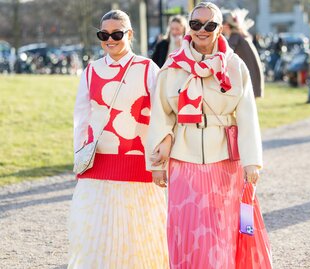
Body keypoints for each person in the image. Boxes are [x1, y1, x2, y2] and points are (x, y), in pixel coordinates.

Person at [146, 2, 272, 268]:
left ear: (220, 29)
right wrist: (156, 165)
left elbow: (248, 117)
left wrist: (252, 162)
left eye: (210, 25)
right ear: (189, 28)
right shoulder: (172, 67)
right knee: (187, 231)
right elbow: (160, 115)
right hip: (183, 160)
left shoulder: (235, 67)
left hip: (225, 162)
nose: (201, 30)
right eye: (195, 24)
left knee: (220, 231)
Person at [68, 10, 169, 269]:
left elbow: (162, 115)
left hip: (138, 165)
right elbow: (82, 116)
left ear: (130, 34)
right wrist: (80, 155)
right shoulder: (91, 70)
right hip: (97, 165)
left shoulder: (148, 68)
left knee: (139, 232)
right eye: (104, 34)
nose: (109, 39)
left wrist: (160, 158)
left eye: (116, 33)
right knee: (96, 229)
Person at [222, 9, 264, 98]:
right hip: (252, 75)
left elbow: (225, 54)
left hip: (247, 78)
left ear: (226, 25)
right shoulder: (241, 36)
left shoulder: (234, 38)